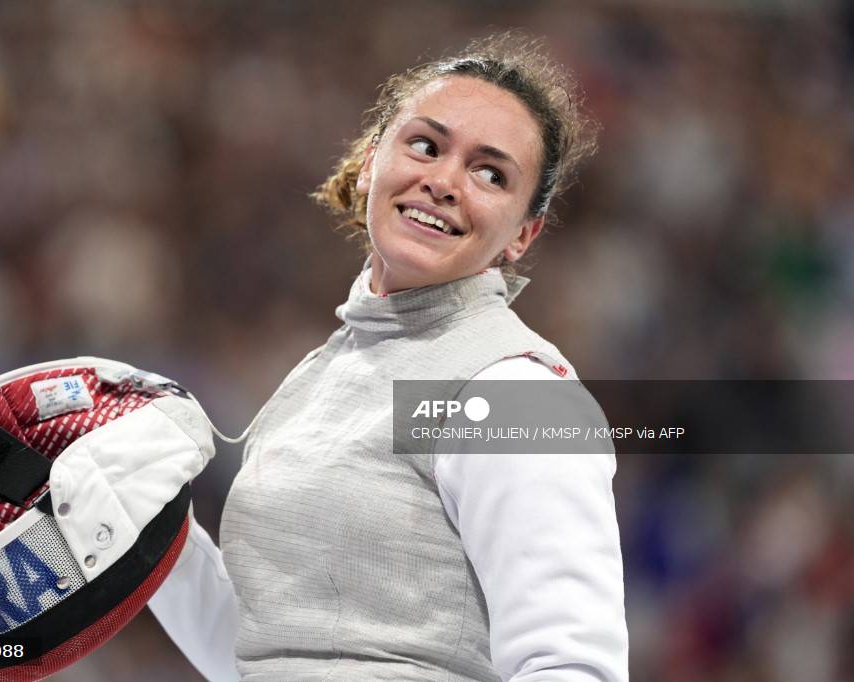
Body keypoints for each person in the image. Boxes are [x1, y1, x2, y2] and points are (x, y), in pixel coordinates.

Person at [149, 33, 628, 681]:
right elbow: (269, 654)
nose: (444, 181)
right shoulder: (321, 375)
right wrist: (150, 530)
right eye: (426, 146)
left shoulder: (515, 391)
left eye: (491, 173)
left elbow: (572, 667)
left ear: (523, 234)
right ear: (371, 162)